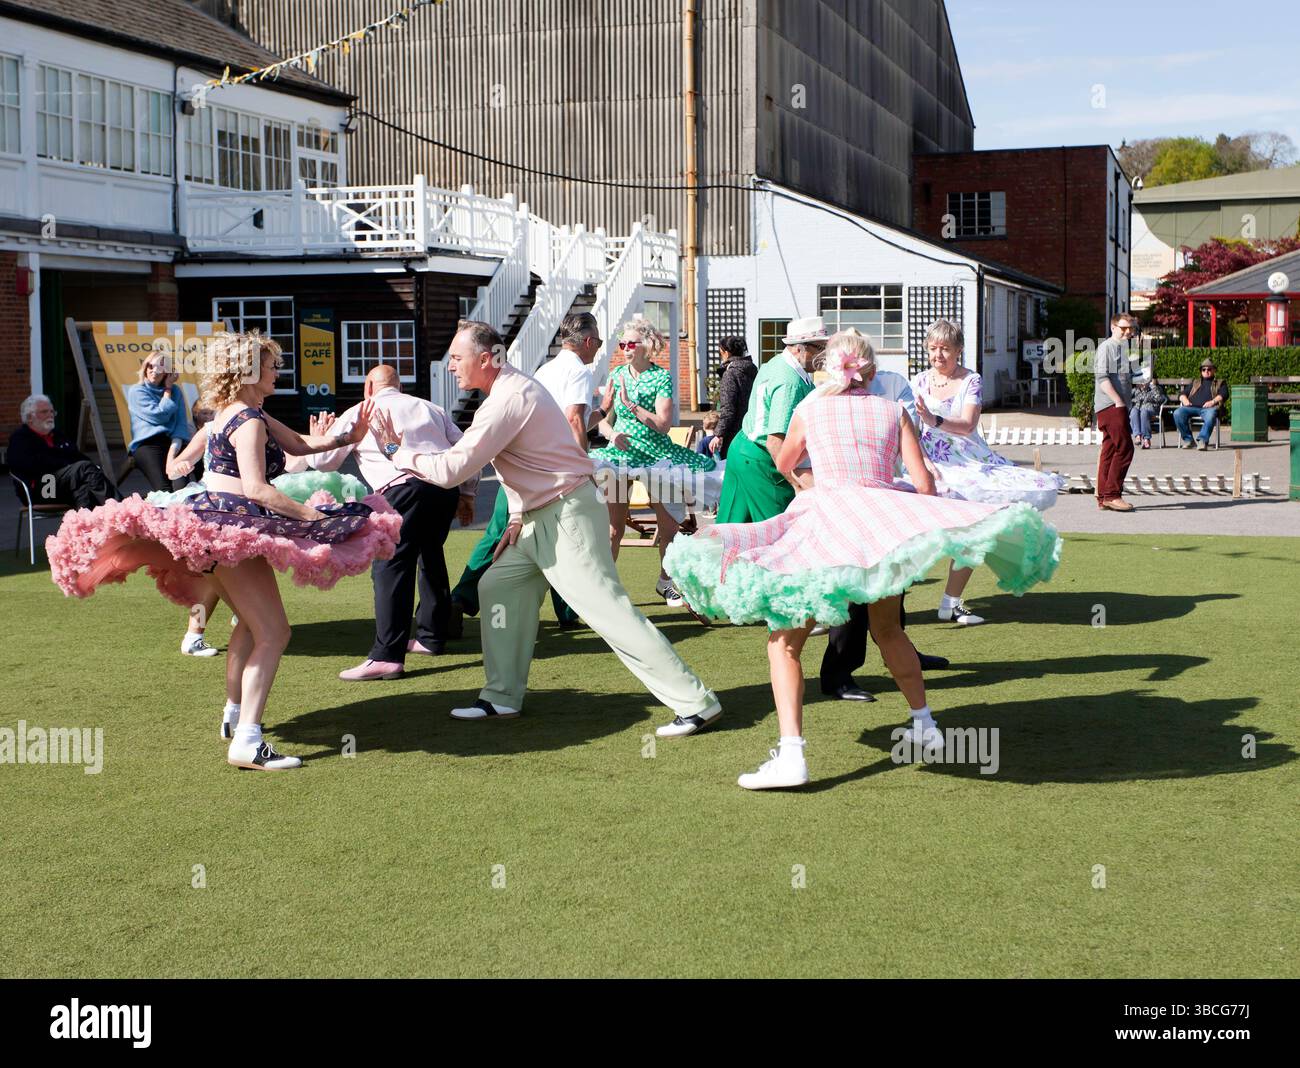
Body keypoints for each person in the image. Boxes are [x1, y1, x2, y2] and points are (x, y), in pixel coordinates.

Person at [664, 329, 1061, 790]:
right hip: (877, 525)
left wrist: (812, 478)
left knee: (785, 642)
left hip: (825, 522)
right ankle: (925, 724)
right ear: (869, 369)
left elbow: (785, 460)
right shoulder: (893, 410)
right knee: (888, 629)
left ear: (830, 368)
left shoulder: (811, 408)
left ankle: (792, 755)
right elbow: (924, 483)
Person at [47, 332, 403, 771]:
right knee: (274, 632)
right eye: (272, 365)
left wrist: (348, 435)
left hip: (217, 528)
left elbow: (302, 446)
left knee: (252, 628)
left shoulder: (239, 414)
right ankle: (248, 740)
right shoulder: (249, 420)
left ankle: (235, 717)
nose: (278, 371)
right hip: (232, 530)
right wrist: (314, 519)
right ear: (250, 371)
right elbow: (257, 489)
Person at [370, 319, 722, 734]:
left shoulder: (508, 398)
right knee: (496, 587)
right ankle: (501, 697)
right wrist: (517, 517)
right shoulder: (505, 392)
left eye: (457, 358)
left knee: (609, 612)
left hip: (566, 515)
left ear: (485, 359)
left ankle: (696, 703)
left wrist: (396, 451)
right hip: (542, 517)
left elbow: (451, 469)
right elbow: (522, 463)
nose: (450, 366)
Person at [792, 353, 950, 702]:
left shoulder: (889, 391)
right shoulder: (816, 403)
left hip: (875, 503)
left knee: (887, 593)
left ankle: (898, 655)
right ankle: (838, 673)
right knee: (850, 595)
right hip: (845, 506)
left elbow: (913, 437)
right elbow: (785, 454)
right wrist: (813, 485)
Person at [153, 411, 369, 664]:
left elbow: (293, 457)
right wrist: (178, 462)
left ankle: (229, 625)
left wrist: (324, 442)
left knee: (221, 581)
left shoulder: (256, 422)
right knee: (210, 583)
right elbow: (172, 469)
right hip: (217, 513)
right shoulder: (214, 429)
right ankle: (199, 633)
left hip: (247, 515)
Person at [308, 365, 478, 681]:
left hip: (403, 486)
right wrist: (467, 495)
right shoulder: (431, 408)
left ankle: (387, 656)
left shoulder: (361, 410)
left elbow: (324, 463)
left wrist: (318, 439)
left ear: (367, 387)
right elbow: (466, 449)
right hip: (444, 486)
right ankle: (431, 636)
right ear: (398, 385)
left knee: (391, 564)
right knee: (430, 554)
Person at [449, 311, 602, 629]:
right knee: (522, 538)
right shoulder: (580, 373)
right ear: (587, 342)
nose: (598, 347)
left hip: (527, 470)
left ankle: (566, 612)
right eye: (598, 341)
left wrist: (601, 412)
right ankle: (458, 601)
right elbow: (573, 419)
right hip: (544, 477)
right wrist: (582, 467)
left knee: (539, 540)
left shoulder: (545, 369)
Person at [911, 319, 1064, 624]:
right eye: (932, 348)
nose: (938, 355)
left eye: (945, 349)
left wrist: (934, 420)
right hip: (929, 463)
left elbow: (967, 425)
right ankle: (888, 608)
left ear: (959, 350)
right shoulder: (918, 381)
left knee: (974, 528)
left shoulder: (971, 380)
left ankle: (950, 603)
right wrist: (924, 462)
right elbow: (909, 429)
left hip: (968, 462)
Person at [590, 318, 718, 608]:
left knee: (669, 529)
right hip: (620, 457)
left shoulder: (662, 378)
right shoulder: (616, 374)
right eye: (622, 344)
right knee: (613, 529)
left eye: (630, 344)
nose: (625, 349)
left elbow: (662, 425)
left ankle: (666, 582)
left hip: (658, 457)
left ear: (646, 346)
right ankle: (605, 589)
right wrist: (613, 433)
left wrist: (632, 407)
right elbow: (603, 423)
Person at [714, 317, 825, 524]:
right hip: (762, 458)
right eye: (819, 347)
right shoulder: (789, 381)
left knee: (731, 532)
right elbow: (776, 441)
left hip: (744, 449)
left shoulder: (776, 363)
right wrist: (796, 483)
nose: (823, 355)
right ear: (799, 348)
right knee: (779, 533)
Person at [8, 395, 117, 508]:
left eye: (52, 411)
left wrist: (66, 464)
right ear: (30, 417)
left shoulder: (58, 435)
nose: (50, 415)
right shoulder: (20, 438)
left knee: (84, 488)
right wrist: (65, 463)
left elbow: (77, 456)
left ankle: (87, 522)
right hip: (39, 490)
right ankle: (120, 511)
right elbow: (31, 465)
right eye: (44, 412)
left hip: (65, 486)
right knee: (83, 469)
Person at [127, 353, 194, 492]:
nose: (154, 370)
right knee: (164, 489)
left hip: (173, 443)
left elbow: (180, 427)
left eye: (160, 367)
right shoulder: (137, 391)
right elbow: (159, 416)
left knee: (182, 488)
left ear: (167, 372)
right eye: (151, 366)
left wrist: (172, 454)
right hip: (148, 444)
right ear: (145, 367)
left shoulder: (177, 391)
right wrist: (168, 390)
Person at [1093, 313, 1138, 512]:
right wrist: (1118, 400)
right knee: (1126, 448)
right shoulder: (1107, 347)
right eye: (1123, 328)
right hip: (1111, 406)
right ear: (1113, 327)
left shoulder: (1123, 348)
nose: (1128, 332)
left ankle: (1103, 497)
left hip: (1114, 406)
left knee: (1110, 450)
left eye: (1130, 328)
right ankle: (1112, 495)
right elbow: (1102, 377)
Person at [711, 335, 757, 458]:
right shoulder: (752, 370)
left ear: (726, 352)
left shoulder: (730, 374)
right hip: (752, 429)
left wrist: (718, 434)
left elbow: (728, 408)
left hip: (734, 434)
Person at [1173, 358, 1228, 450]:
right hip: (1191, 407)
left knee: (1211, 415)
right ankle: (1188, 440)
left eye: (1209, 369)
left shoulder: (1220, 382)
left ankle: (1202, 440)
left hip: (1209, 408)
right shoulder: (1195, 382)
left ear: (1214, 370)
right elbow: (1182, 394)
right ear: (1201, 371)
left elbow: (1224, 394)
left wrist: (1212, 402)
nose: (1206, 371)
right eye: (1204, 369)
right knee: (1177, 413)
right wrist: (1184, 399)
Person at [1129, 375, 1168, 450]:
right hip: (1138, 409)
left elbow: (1160, 399)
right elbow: (1128, 398)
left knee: (1144, 412)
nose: (1143, 383)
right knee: (1133, 411)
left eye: (1145, 381)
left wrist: (1152, 387)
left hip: (1150, 409)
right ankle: (1137, 435)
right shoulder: (1136, 390)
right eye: (1141, 381)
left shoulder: (1154, 388)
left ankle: (1146, 438)